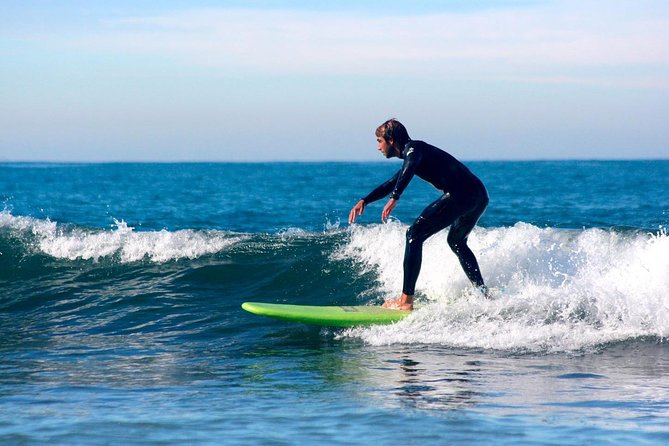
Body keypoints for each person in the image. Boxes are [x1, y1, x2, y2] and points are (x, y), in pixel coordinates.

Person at [348, 119, 489, 310]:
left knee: (414, 235)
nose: (378, 147)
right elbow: (395, 179)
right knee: (456, 242)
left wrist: (395, 197)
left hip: (463, 194)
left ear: (390, 140)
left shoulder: (414, 149)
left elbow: (409, 166)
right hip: (478, 195)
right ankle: (483, 294)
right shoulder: (413, 155)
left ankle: (406, 301)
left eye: (379, 141)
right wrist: (365, 200)